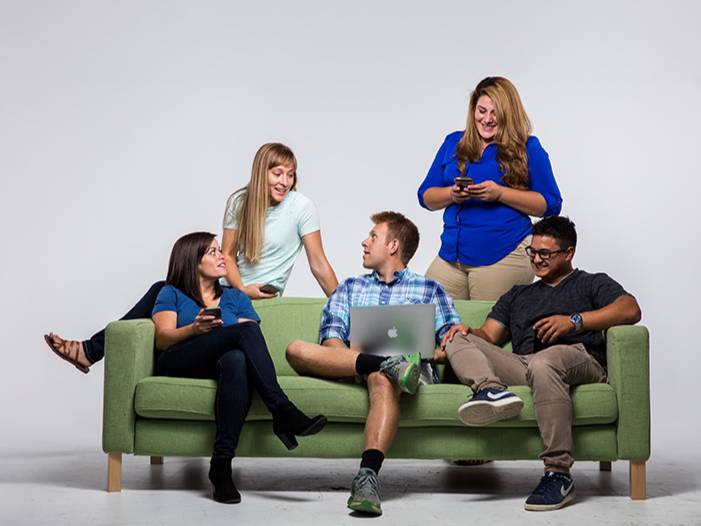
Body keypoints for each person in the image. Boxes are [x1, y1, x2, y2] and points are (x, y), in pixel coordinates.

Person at [44, 142, 338, 373]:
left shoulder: (302, 207)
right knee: (164, 291)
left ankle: (90, 350)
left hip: (253, 298)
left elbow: (319, 264)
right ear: (261, 173)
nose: (285, 181)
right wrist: (238, 287)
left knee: (162, 290)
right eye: (278, 173)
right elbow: (228, 256)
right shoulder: (239, 202)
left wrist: (343, 305)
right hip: (223, 290)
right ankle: (94, 351)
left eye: (290, 174)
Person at [438, 216, 641, 511]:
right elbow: (490, 335)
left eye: (545, 254)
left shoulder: (591, 283)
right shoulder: (518, 294)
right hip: (526, 364)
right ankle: (491, 390)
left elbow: (631, 308)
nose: (536, 259)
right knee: (457, 337)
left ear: (568, 253)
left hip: (579, 359)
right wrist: (469, 331)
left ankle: (558, 473)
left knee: (546, 360)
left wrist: (574, 321)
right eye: (532, 252)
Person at [286, 211, 460, 516]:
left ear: (393, 246)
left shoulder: (430, 290)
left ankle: (367, 477)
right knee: (296, 349)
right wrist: (363, 361)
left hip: (412, 371)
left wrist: (438, 349)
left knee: (383, 378)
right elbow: (332, 342)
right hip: (357, 366)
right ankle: (383, 363)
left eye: (373, 236)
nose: (365, 242)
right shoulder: (350, 288)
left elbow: (452, 341)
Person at [152, 231, 326, 503]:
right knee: (243, 334)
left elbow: (250, 341)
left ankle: (221, 466)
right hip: (179, 359)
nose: (223, 256)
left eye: (220, 250)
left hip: (219, 364)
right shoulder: (171, 292)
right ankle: (281, 409)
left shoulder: (235, 298)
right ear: (193, 261)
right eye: (213, 252)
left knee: (237, 359)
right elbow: (162, 338)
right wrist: (193, 329)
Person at [418, 76, 562, 302]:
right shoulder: (453, 142)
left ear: (508, 114)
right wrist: (452, 194)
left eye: (495, 113)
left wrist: (500, 193)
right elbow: (425, 196)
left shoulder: (528, 147)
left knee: (484, 332)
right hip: (450, 256)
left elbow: (551, 204)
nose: (487, 119)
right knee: (423, 319)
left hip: (502, 253)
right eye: (481, 111)